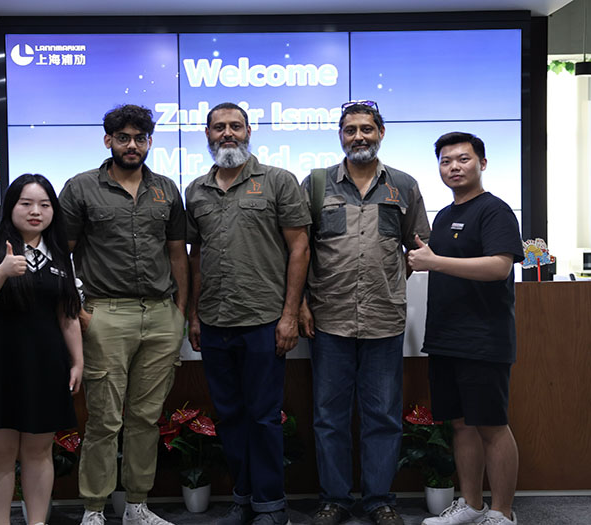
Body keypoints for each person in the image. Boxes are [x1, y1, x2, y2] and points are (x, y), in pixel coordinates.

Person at [299, 100, 430, 525]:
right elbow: (298, 251)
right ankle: (334, 500)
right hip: (329, 319)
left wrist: (387, 282)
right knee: (329, 418)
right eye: (351, 130)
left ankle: (379, 500)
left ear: (381, 133)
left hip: (384, 320)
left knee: (383, 417)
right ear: (340, 135)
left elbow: (418, 249)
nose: (359, 136)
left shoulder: (404, 185)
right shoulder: (316, 184)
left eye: (367, 129)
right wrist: (301, 303)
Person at [59, 104, 187, 525]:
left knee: (146, 419)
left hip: (161, 315)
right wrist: (79, 311)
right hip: (106, 314)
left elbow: (177, 253)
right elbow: (62, 255)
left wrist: (180, 313)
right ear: (108, 140)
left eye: (140, 138)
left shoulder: (166, 189)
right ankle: (94, 509)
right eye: (123, 138)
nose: (132, 145)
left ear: (149, 142)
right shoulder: (81, 188)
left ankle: (137, 505)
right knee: (104, 420)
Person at [186, 102, 311, 525]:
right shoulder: (196, 191)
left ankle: (271, 505)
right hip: (214, 321)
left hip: (264, 320)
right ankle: (242, 498)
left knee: (263, 416)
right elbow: (196, 256)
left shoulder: (277, 181)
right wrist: (193, 316)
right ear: (207, 134)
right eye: (219, 127)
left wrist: (289, 315)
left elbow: (299, 248)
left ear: (248, 131)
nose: (228, 133)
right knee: (230, 416)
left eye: (235, 126)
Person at [0, 174, 83, 525]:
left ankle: (37, 522)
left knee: (39, 450)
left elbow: (68, 315)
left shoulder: (59, 254)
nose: (35, 211)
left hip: (45, 362)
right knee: (0, 452)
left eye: (44, 205)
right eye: (26, 203)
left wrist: (77, 361)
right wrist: (2, 271)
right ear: (11, 207)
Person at [408, 132, 523, 525]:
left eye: (463, 159)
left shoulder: (495, 210)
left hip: (483, 338)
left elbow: (499, 267)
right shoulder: (443, 215)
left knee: (492, 426)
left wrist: (434, 262)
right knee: (460, 425)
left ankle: (502, 513)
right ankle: (472, 506)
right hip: (445, 337)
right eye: (446, 161)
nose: (454, 167)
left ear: (482, 163)